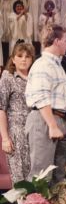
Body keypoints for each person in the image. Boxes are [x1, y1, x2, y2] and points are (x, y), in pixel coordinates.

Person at [25, 25, 66, 183]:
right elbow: (41, 96)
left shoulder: (57, 65)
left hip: (58, 120)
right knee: (41, 176)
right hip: (45, 120)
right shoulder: (43, 64)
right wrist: (52, 125)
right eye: (65, 40)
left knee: (58, 177)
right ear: (57, 41)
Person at [0, 42, 35, 183]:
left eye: (27, 56)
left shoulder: (35, 79)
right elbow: (1, 109)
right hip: (16, 134)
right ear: (13, 59)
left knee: (35, 176)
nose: (23, 59)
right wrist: (5, 138)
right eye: (20, 56)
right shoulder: (7, 78)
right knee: (19, 178)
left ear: (32, 59)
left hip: (34, 132)